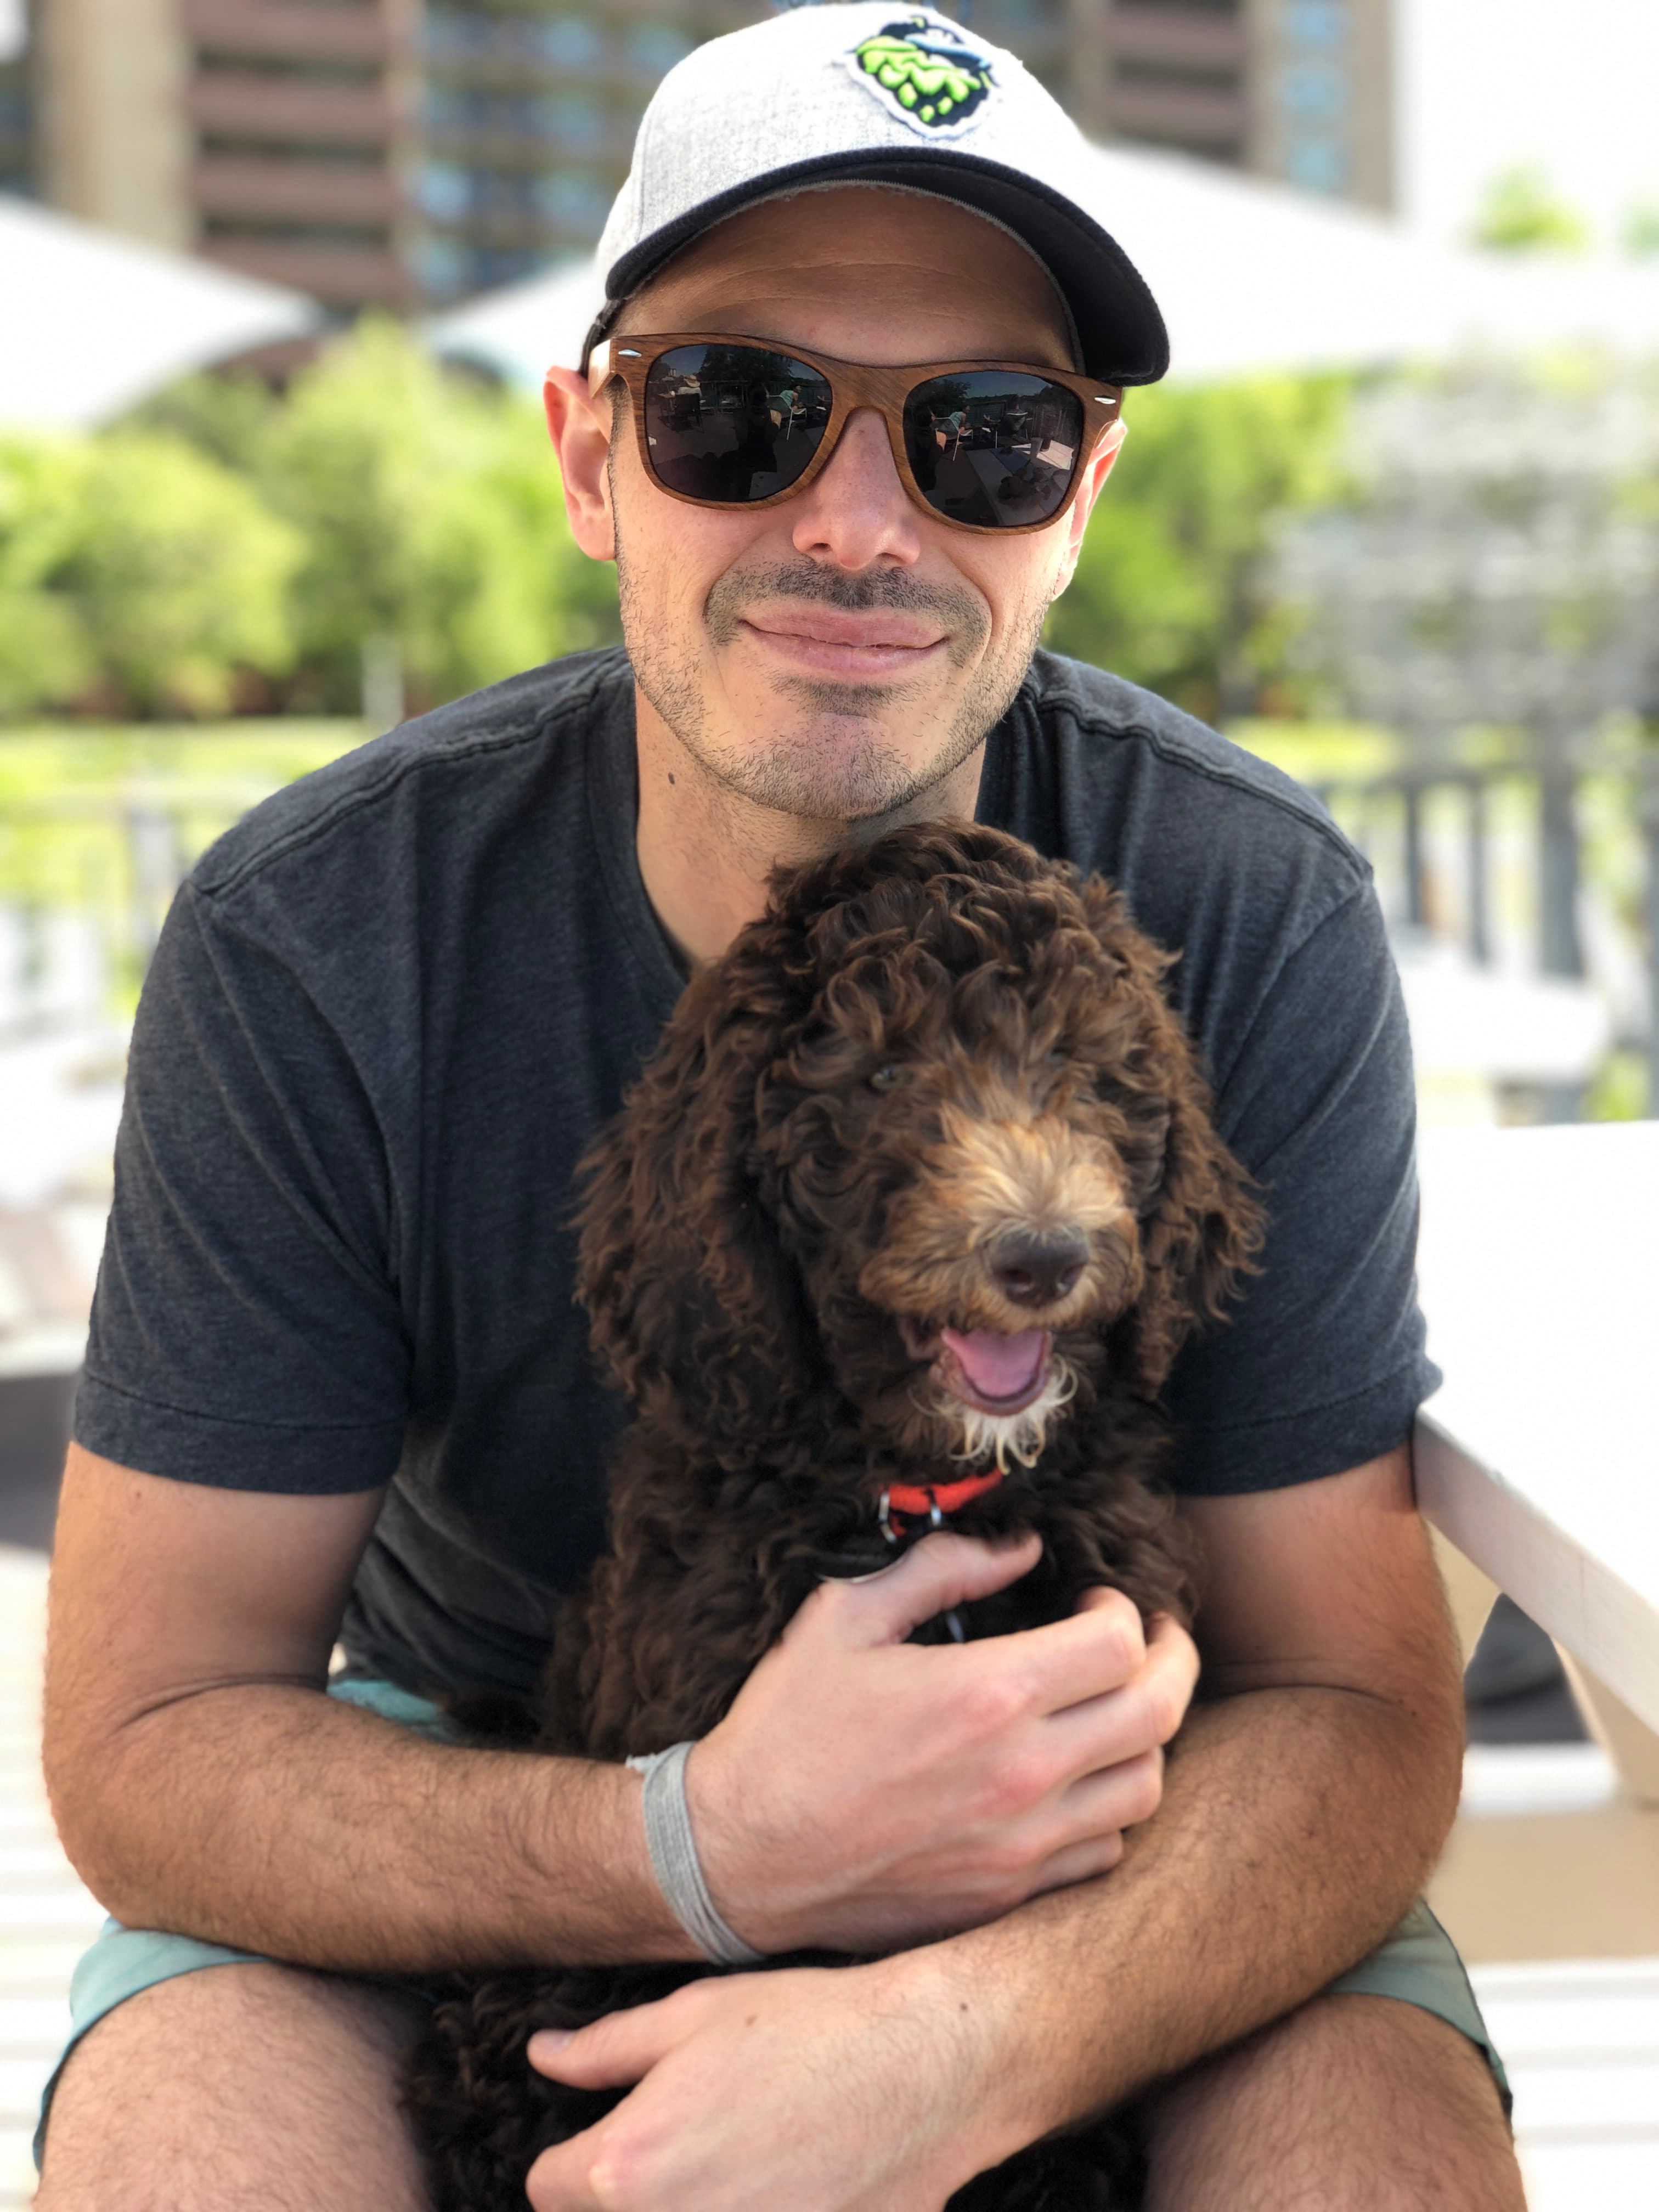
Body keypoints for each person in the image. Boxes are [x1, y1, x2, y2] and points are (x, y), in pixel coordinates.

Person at [36, 8, 1525, 2208]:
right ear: (588, 454)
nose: (855, 524)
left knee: (1366, 2162)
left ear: (1083, 498)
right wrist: (699, 1854)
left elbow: (1353, 1712)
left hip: (1132, 1783)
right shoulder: (317, 941)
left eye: (985, 438)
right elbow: (151, 1748)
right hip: (481, 1759)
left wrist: (952, 2047)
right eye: (739, 415)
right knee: (197, 2157)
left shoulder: (1246, 902)